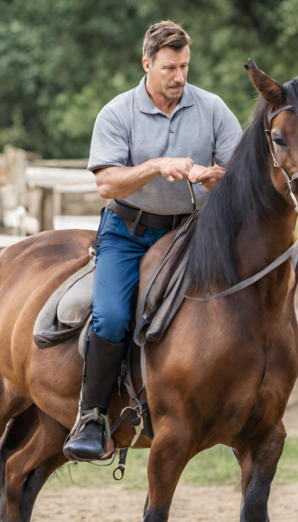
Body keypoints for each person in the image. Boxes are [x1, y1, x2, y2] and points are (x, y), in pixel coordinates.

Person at [63, 20, 242, 461]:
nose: (178, 76)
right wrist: (156, 165)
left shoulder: (213, 108)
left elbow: (240, 176)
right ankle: (91, 419)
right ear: (147, 64)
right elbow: (106, 184)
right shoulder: (117, 112)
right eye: (168, 67)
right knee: (109, 318)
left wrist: (215, 176)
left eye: (183, 66)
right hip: (126, 233)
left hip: (188, 232)